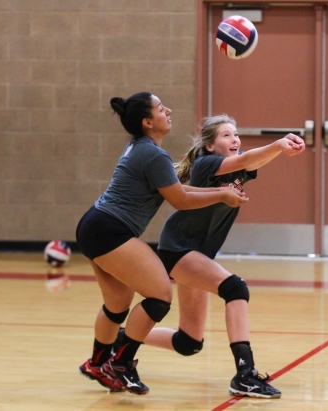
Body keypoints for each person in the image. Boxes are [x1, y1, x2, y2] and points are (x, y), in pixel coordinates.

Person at [118, 114, 305, 398]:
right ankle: (245, 374)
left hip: (196, 253)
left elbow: (252, 161)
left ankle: (120, 339)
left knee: (188, 342)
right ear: (209, 146)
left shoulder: (236, 168)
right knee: (235, 288)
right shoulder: (206, 166)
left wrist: (280, 150)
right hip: (178, 248)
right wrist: (278, 144)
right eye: (227, 135)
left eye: (236, 134)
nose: (235, 139)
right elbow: (246, 160)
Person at [76, 94, 248, 395]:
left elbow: (177, 187)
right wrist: (221, 194)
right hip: (110, 230)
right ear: (147, 122)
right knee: (159, 296)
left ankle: (98, 363)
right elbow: (180, 200)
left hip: (95, 226)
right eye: (160, 108)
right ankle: (122, 363)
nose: (168, 110)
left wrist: (220, 193)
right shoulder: (153, 155)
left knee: (117, 306)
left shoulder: (142, 148)